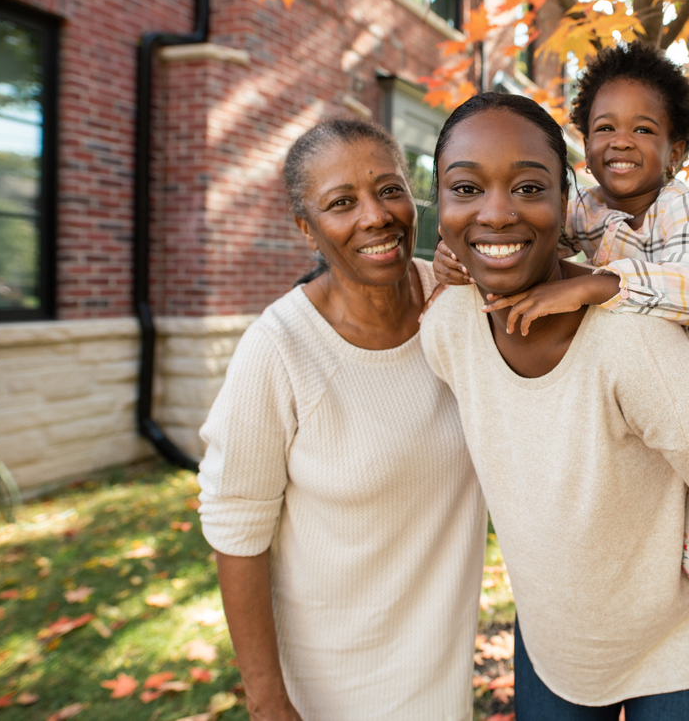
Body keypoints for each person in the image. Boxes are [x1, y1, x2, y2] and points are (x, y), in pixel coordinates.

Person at [433, 43, 689, 720]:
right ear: (583, 150)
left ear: (676, 149)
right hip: (559, 645)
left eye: (644, 130)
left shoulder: (680, 208)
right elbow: (509, 229)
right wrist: (456, 258)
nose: (621, 142)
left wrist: (596, 286)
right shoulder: (582, 211)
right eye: (603, 129)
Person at [197, 119, 486, 721]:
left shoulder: (460, 303)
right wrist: (267, 701)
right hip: (331, 687)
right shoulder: (279, 349)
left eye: (389, 190)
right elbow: (235, 529)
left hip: (442, 680)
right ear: (307, 230)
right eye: (340, 203)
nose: (375, 216)